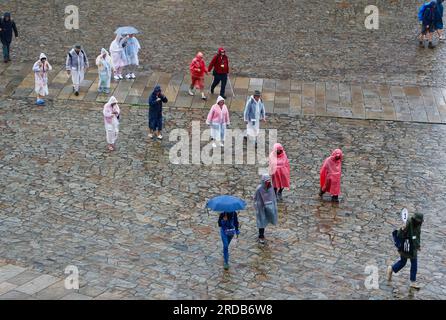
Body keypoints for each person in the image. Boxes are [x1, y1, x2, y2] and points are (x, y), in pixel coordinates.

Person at [387, 212, 424, 290]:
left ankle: (412, 282)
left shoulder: (418, 224)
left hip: (413, 247)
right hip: (406, 247)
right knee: (404, 262)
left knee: (413, 263)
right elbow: (399, 235)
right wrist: (402, 229)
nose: (419, 222)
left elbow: (417, 235)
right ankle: (392, 269)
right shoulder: (408, 223)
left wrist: (418, 245)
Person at [253, 174, 278, 244]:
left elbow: (272, 197)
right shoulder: (259, 189)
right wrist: (257, 205)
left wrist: (272, 205)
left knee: (266, 219)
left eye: (269, 181)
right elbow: (255, 198)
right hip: (260, 207)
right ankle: (261, 235)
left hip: (269, 206)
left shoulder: (270, 188)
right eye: (266, 181)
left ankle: (262, 234)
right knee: (261, 220)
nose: (268, 183)